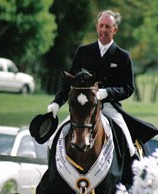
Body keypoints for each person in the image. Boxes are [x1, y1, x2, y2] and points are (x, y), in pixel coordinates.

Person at [47, 10, 137, 157]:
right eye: (101, 26)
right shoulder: (83, 52)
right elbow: (69, 81)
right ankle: (52, 177)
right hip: (82, 108)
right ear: (97, 27)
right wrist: (57, 102)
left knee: (129, 147)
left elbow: (128, 88)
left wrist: (106, 92)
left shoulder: (123, 56)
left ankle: (128, 178)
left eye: (108, 27)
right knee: (52, 142)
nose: (104, 30)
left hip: (109, 107)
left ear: (115, 29)